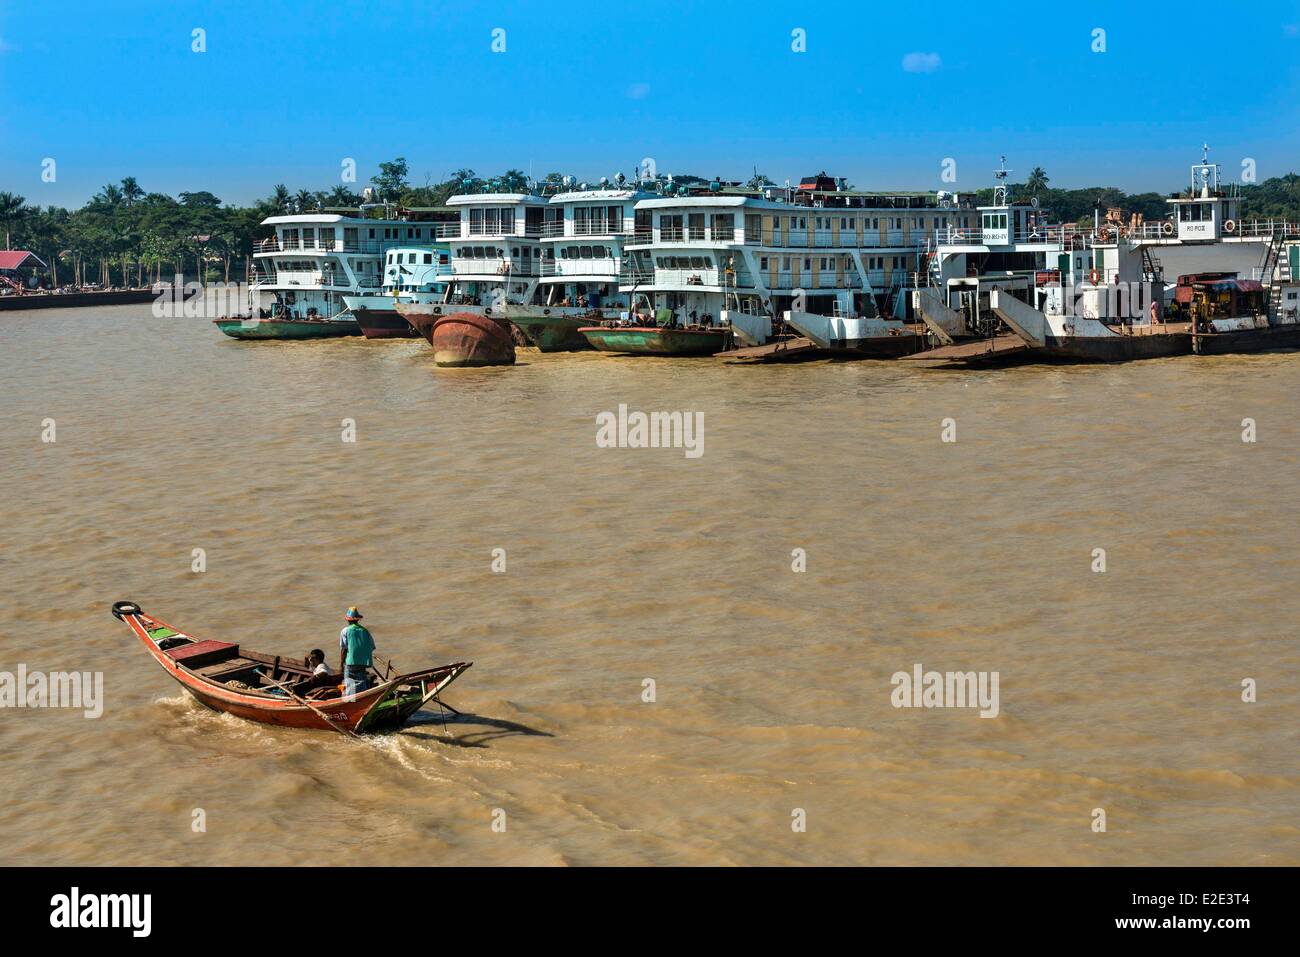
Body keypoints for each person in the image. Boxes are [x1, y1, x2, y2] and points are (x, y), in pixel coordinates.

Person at [338, 607, 376, 696]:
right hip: (363, 663)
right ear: (357, 619)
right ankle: (363, 698)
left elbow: (344, 649)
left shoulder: (345, 631)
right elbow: (372, 647)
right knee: (361, 682)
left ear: (348, 620)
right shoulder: (365, 631)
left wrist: (341, 665)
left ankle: (350, 701)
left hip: (350, 662)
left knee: (349, 683)